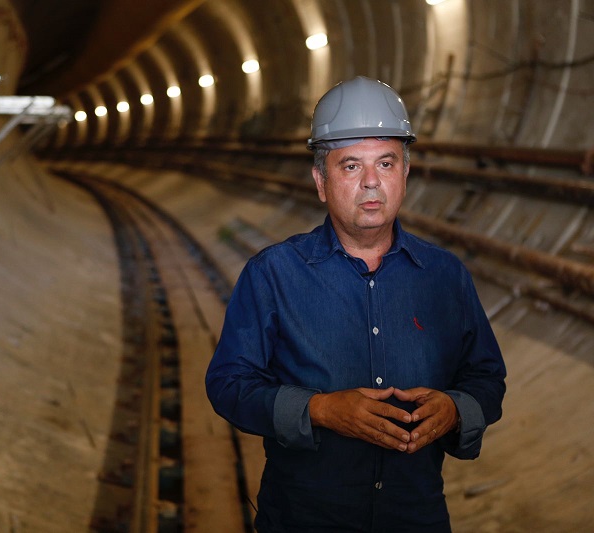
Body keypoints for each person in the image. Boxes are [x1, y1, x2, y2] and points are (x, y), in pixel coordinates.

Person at [205, 76, 506, 532]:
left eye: (385, 163)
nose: (371, 182)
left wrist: (455, 409)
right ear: (321, 181)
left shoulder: (445, 276)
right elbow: (228, 385)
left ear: (405, 174)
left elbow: (487, 377)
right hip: (304, 519)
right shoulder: (273, 275)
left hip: (415, 518)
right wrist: (320, 411)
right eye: (350, 166)